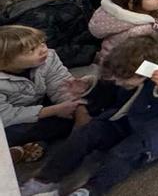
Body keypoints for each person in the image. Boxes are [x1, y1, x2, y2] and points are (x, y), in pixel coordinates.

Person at [19, 33, 158, 196]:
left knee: (122, 154)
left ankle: (90, 190)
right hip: (129, 115)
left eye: (124, 81)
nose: (120, 83)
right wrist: (87, 88)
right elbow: (109, 88)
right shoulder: (128, 67)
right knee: (86, 133)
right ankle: (45, 179)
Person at [0, 26, 93, 155]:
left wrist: (76, 108)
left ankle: (28, 146)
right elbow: (5, 116)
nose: (43, 50)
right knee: (8, 134)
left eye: (42, 43)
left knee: (87, 104)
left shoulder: (48, 58)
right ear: (4, 62)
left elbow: (60, 84)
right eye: (32, 50)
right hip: (11, 117)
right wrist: (53, 111)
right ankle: (27, 145)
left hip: (38, 102)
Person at [1, 0, 98, 69]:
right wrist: (92, 53)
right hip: (60, 66)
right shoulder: (36, 17)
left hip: (86, 46)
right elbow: (47, 52)